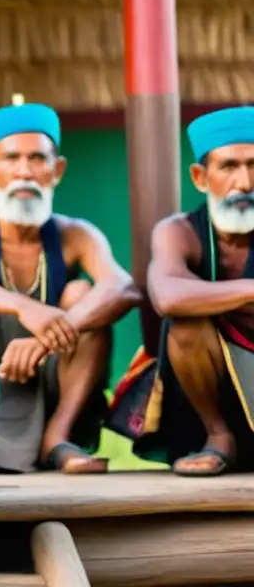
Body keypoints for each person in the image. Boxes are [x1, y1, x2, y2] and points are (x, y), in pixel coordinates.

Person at [0, 100, 140, 475]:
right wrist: (24, 307)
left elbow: (123, 287)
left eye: (38, 159)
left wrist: (46, 338)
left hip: (52, 372)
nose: (25, 172)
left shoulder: (76, 234)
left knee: (82, 295)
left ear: (57, 169)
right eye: (11, 159)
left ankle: (58, 438)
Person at [109, 106, 254, 476]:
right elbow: (169, 297)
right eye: (229, 167)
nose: (245, 182)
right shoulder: (179, 232)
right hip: (213, 380)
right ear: (200, 177)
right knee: (185, 323)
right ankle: (219, 435)